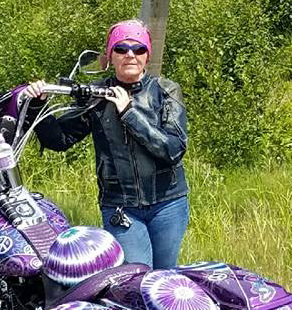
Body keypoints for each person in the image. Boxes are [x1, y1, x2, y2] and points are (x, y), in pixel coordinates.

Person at [22, 19, 189, 269]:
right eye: (121, 49)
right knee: (134, 280)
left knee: (166, 279)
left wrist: (129, 113)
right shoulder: (97, 96)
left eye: (138, 49)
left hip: (168, 204)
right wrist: (37, 104)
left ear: (147, 55)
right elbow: (59, 139)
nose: (130, 55)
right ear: (110, 56)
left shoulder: (165, 91)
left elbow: (172, 150)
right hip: (121, 208)